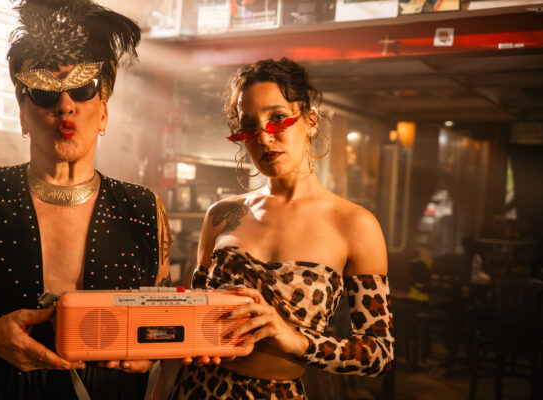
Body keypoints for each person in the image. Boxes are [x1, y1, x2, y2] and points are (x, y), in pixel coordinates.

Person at [0, 1, 172, 399]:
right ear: (23, 115)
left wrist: (151, 350)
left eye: (82, 89)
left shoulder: (142, 209)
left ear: (103, 112)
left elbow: (161, 319)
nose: (65, 105)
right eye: (44, 93)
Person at [168, 58, 394, 399]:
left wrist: (296, 340)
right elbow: (191, 318)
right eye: (249, 125)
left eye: (277, 118)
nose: (263, 137)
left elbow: (379, 354)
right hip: (197, 390)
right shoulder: (222, 215)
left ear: (310, 122)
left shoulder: (355, 224)